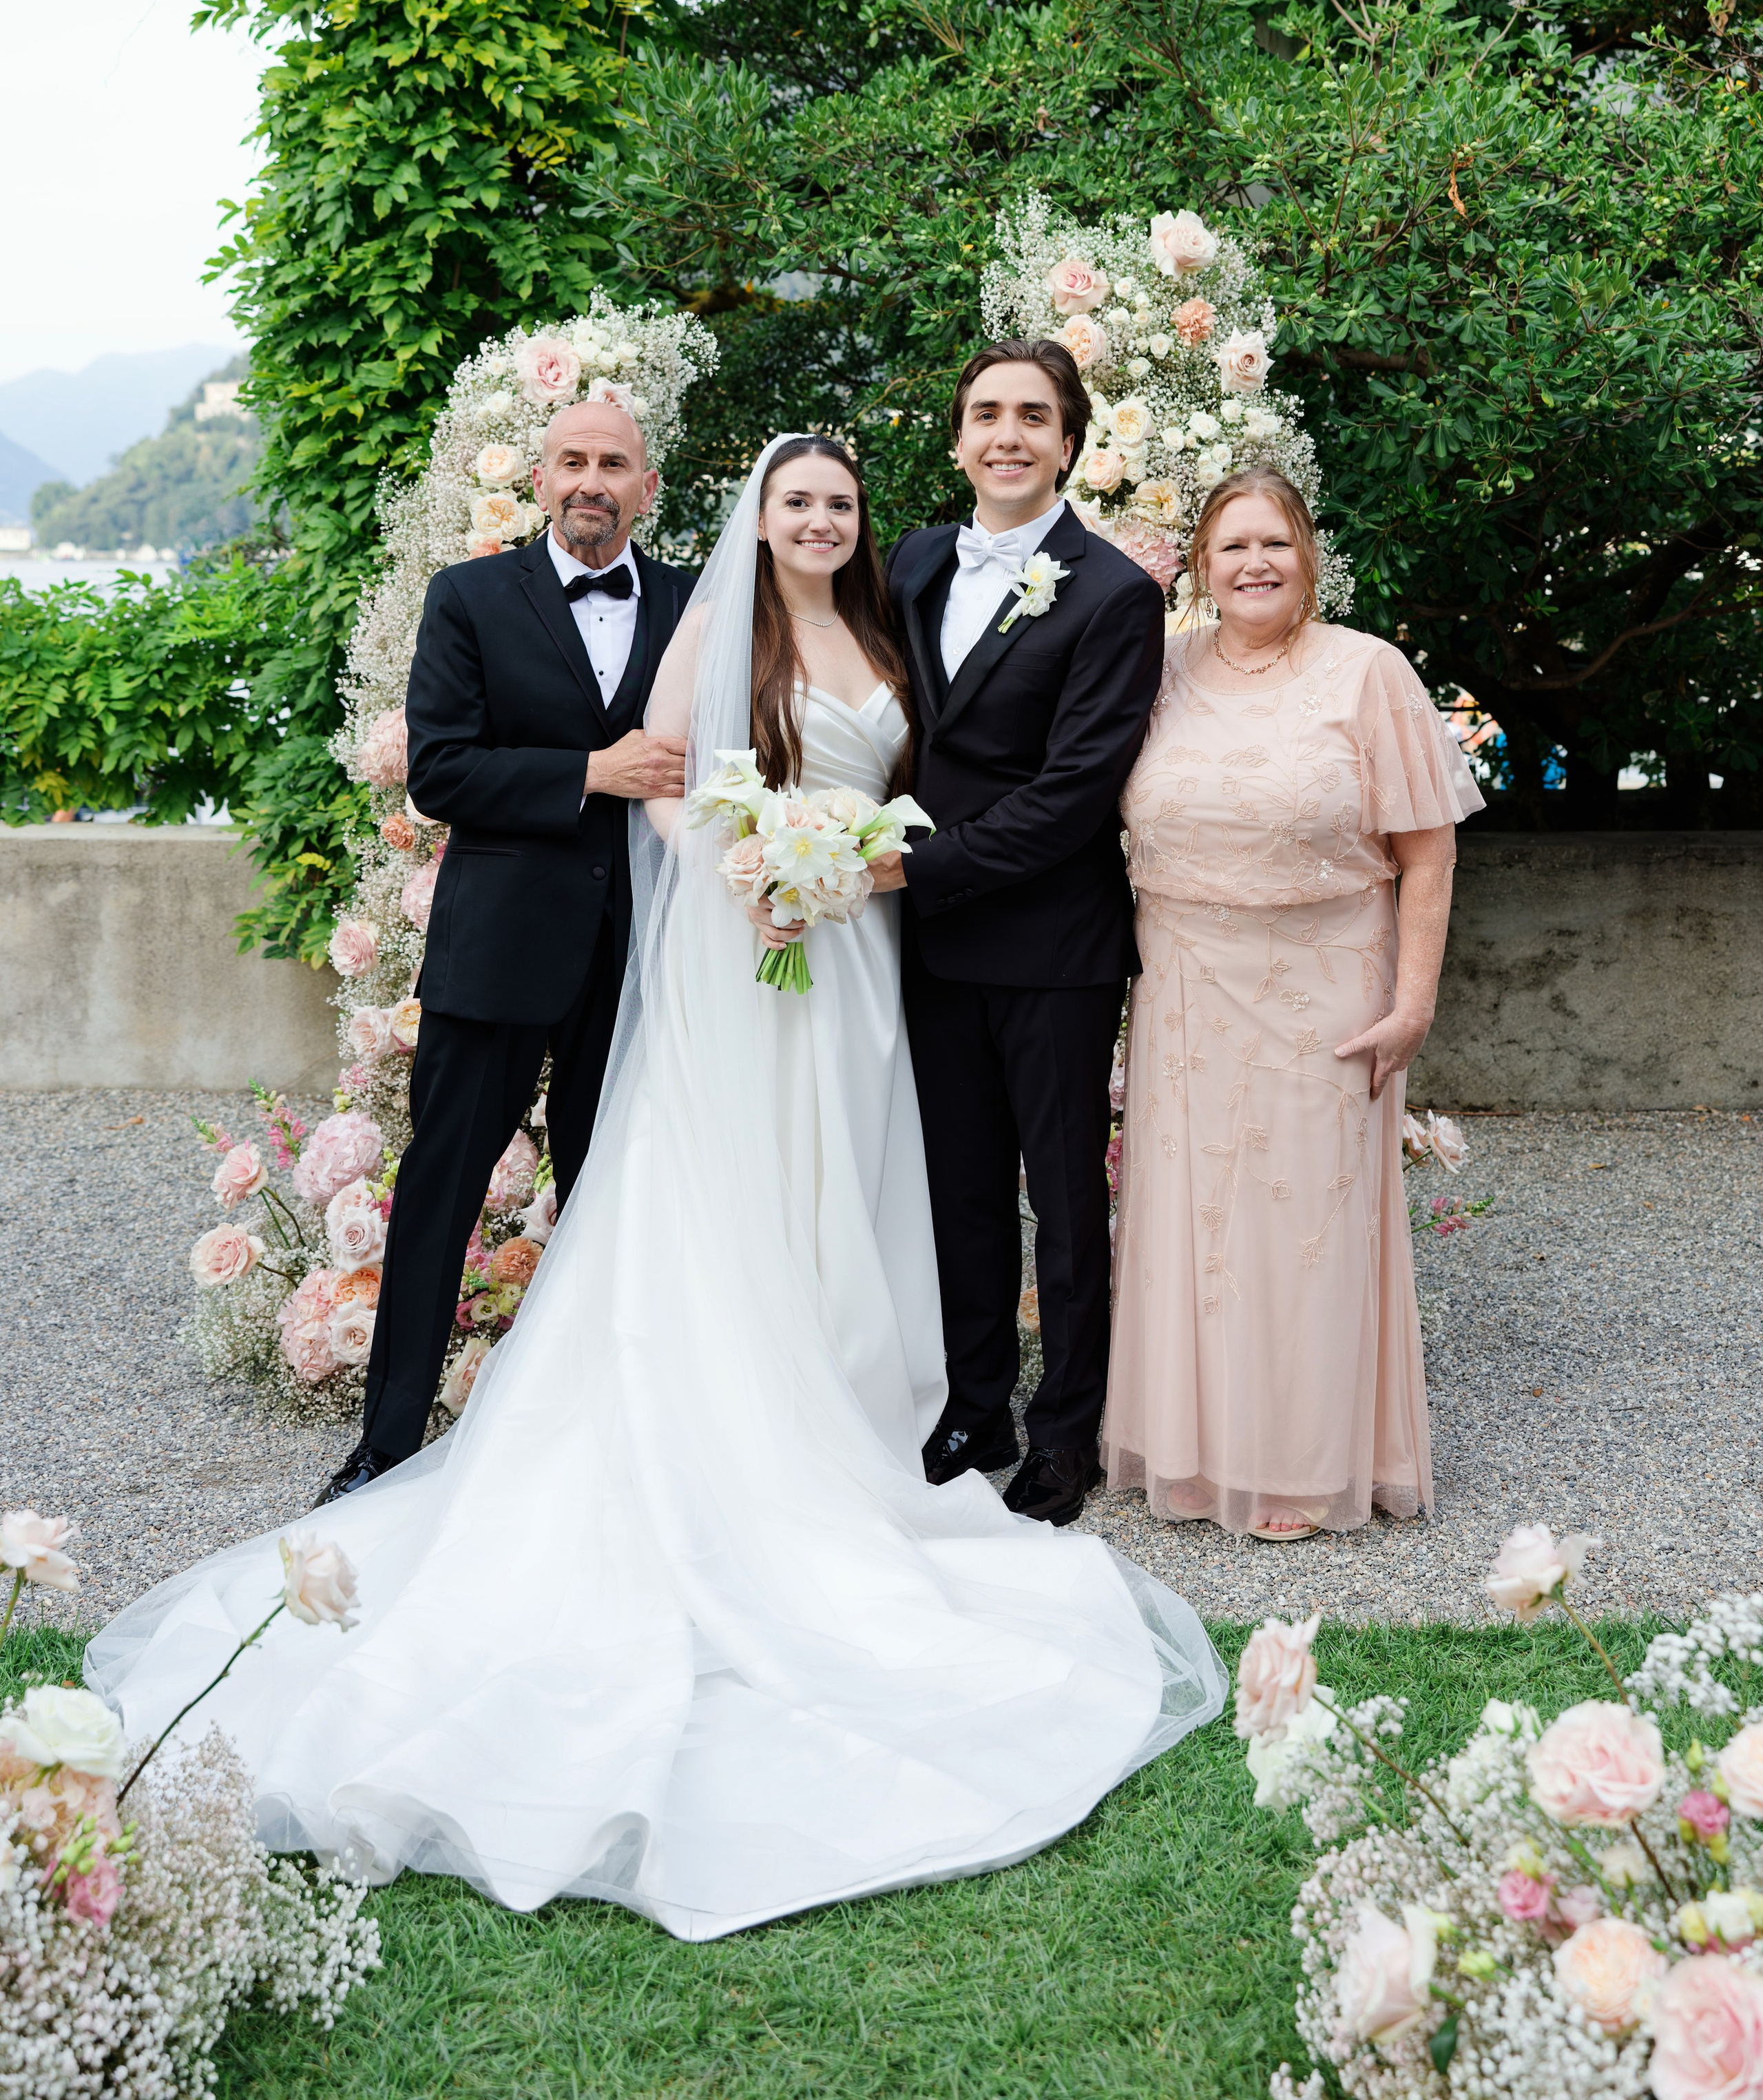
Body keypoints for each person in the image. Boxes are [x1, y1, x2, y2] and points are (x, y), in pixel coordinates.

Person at [86, 433, 1222, 1941]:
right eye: (795, 500)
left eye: (838, 502)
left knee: (860, 1183)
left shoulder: (895, 611)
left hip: (870, 959)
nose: (818, 519)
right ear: (761, 514)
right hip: (748, 957)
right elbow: (670, 791)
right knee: (711, 1196)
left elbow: (927, 772)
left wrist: (846, 863)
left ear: (862, 523)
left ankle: (871, 1401)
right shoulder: (692, 615)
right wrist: (759, 860)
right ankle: (606, 1432)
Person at [317, 393, 694, 1503]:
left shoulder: (691, 602)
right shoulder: (472, 596)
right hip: (499, 948)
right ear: (539, 481)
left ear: (647, 487)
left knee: (612, 1196)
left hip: (640, 958)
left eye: (614, 463)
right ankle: (387, 1442)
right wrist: (591, 773)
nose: (592, 479)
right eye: (572, 460)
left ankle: (601, 1444)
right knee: (442, 1187)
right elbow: (440, 773)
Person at [1102, 467, 1483, 1543]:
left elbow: (1429, 848)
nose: (1254, 564)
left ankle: (1307, 1467)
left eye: (1275, 543)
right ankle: (1193, 1452)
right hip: (1184, 988)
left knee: (1306, 1220)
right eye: (1232, 547)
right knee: (1197, 1221)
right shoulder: (1159, 669)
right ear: (1201, 566)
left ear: (1309, 556)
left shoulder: (1369, 673)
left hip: (1327, 986)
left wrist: (1414, 1004)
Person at [884, 339, 1167, 1529]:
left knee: (1062, 1197)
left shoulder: (1111, 593)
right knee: (958, 1191)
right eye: (987, 414)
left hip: (1051, 942)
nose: (1008, 434)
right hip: (929, 943)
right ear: (958, 438)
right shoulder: (905, 564)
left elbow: (1075, 790)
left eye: (1033, 417)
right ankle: (976, 1405)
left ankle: (1067, 1435)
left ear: (1069, 444)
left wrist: (917, 867)